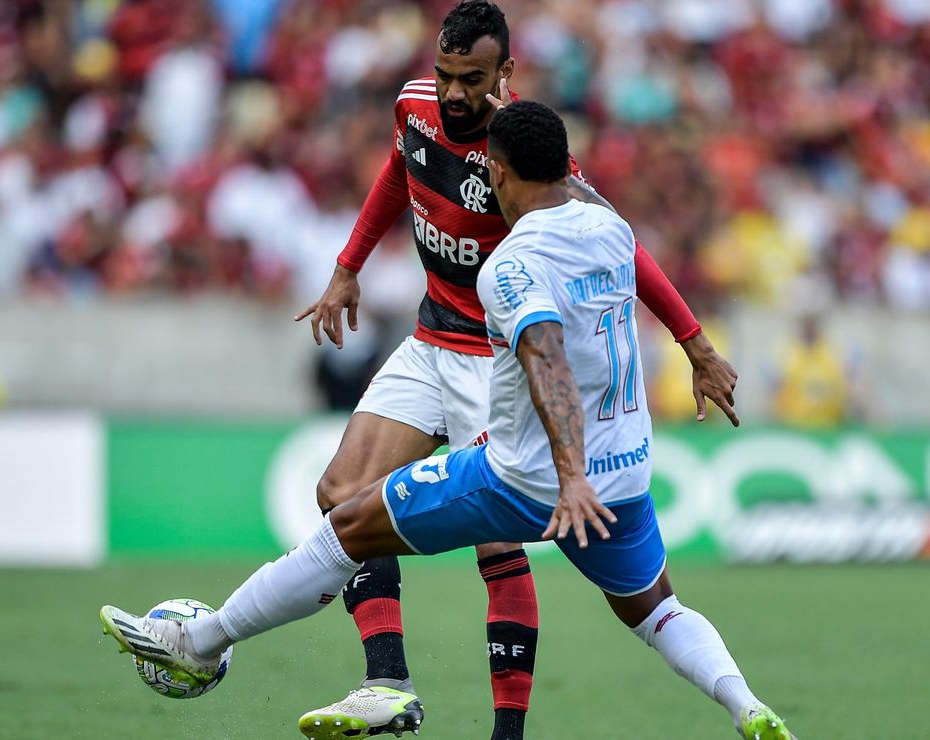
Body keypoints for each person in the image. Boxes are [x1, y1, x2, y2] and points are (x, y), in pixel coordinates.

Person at [99, 100, 796, 740]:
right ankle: (747, 705)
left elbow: (544, 354)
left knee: (346, 528)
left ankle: (204, 644)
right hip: (624, 480)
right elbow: (580, 204)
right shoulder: (611, 226)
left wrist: (568, 474)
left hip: (524, 478)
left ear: (494, 169)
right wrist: (696, 349)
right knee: (656, 610)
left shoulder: (509, 266)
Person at [287, 2, 738, 738]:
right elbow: (395, 176)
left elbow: (619, 244)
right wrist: (346, 269)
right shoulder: (413, 110)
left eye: (471, 79)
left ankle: (508, 733)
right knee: (339, 492)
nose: (454, 94)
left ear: (506, 73)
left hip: (490, 359)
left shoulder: (526, 150)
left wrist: (695, 342)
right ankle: (387, 684)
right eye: (444, 76)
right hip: (430, 337)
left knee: (494, 541)